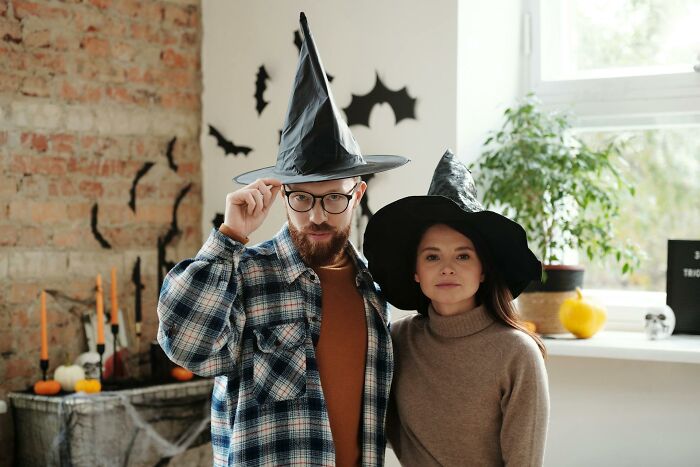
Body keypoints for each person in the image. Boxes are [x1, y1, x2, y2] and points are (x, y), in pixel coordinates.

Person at [157, 12, 408, 467]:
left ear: (358, 195)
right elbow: (187, 345)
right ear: (281, 194)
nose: (315, 215)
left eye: (333, 198)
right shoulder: (245, 273)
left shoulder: (374, 291)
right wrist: (230, 235)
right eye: (301, 199)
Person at [363, 150, 549, 466]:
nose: (447, 268)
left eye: (463, 256)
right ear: (416, 272)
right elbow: (371, 424)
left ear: (483, 270)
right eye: (432, 257)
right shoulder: (396, 340)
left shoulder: (517, 353)